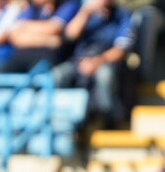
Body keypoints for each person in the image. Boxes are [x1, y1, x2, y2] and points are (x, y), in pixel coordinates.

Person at [52, 0, 136, 128]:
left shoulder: (122, 15)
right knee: (56, 76)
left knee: (104, 75)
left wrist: (97, 61)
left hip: (105, 61)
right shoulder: (82, 11)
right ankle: (64, 121)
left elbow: (121, 50)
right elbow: (70, 35)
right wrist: (85, 12)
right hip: (79, 61)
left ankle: (107, 119)